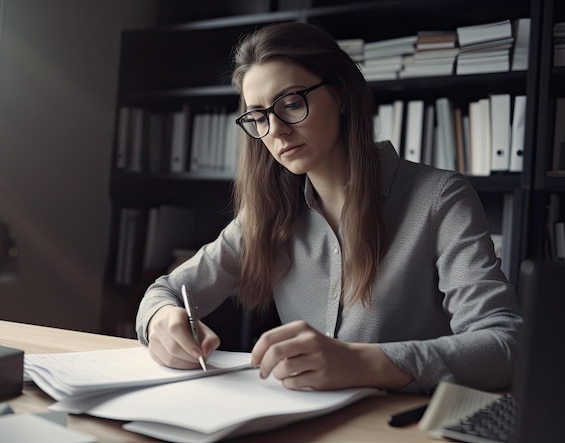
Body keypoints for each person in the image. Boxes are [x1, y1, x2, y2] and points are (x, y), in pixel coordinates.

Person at [135, 21, 522, 394]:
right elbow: (165, 291)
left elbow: (506, 345)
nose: (276, 130)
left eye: (290, 103)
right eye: (258, 117)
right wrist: (161, 321)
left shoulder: (439, 199)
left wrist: (364, 363)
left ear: (338, 94)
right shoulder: (268, 213)